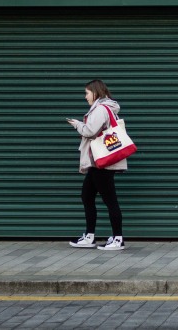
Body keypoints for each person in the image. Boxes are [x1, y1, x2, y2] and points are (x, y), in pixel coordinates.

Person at [66, 79, 127, 251]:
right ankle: (89, 236)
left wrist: (77, 124)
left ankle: (117, 239)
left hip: (102, 162)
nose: (85, 97)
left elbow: (90, 131)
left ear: (95, 92)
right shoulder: (103, 107)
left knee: (110, 200)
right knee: (86, 196)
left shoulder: (101, 108)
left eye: (86, 93)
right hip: (97, 162)